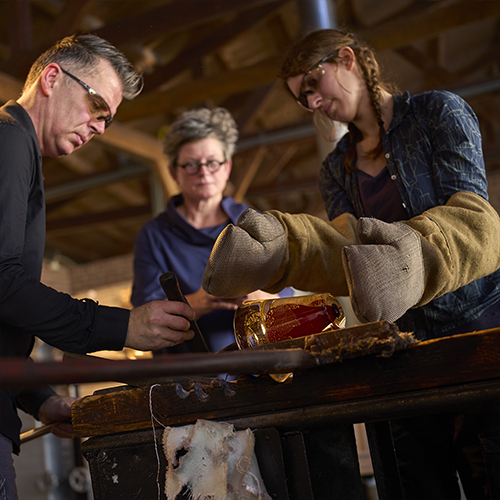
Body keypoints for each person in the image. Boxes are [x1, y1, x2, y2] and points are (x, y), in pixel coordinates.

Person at [202, 29, 500, 499]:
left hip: (474, 331)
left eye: (313, 85)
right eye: (303, 99)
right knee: (416, 483)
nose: (314, 102)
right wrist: (289, 251)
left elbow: (475, 217)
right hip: (398, 346)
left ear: (347, 59)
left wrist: (414, 259)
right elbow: (344, 252)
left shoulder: (437, 112)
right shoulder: (335, 169)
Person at [0, 34, 196, 499]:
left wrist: (40, 399)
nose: (101, 128)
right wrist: (124, 326)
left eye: (108, 119)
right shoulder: (8, 140)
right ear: (52, 78)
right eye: (96, 107)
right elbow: (3, 285)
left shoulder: (19, 150)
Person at [131, 107, 292, 354]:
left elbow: (288, 299)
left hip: (257, 365)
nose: (204, 173)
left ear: (227, 168)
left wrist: (259, 298)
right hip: (184, 376)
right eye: (192, 165)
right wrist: (196, 302)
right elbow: (144, 313)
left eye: (213, 163)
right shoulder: (154, 235)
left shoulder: (253, 223)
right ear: (174, 172)